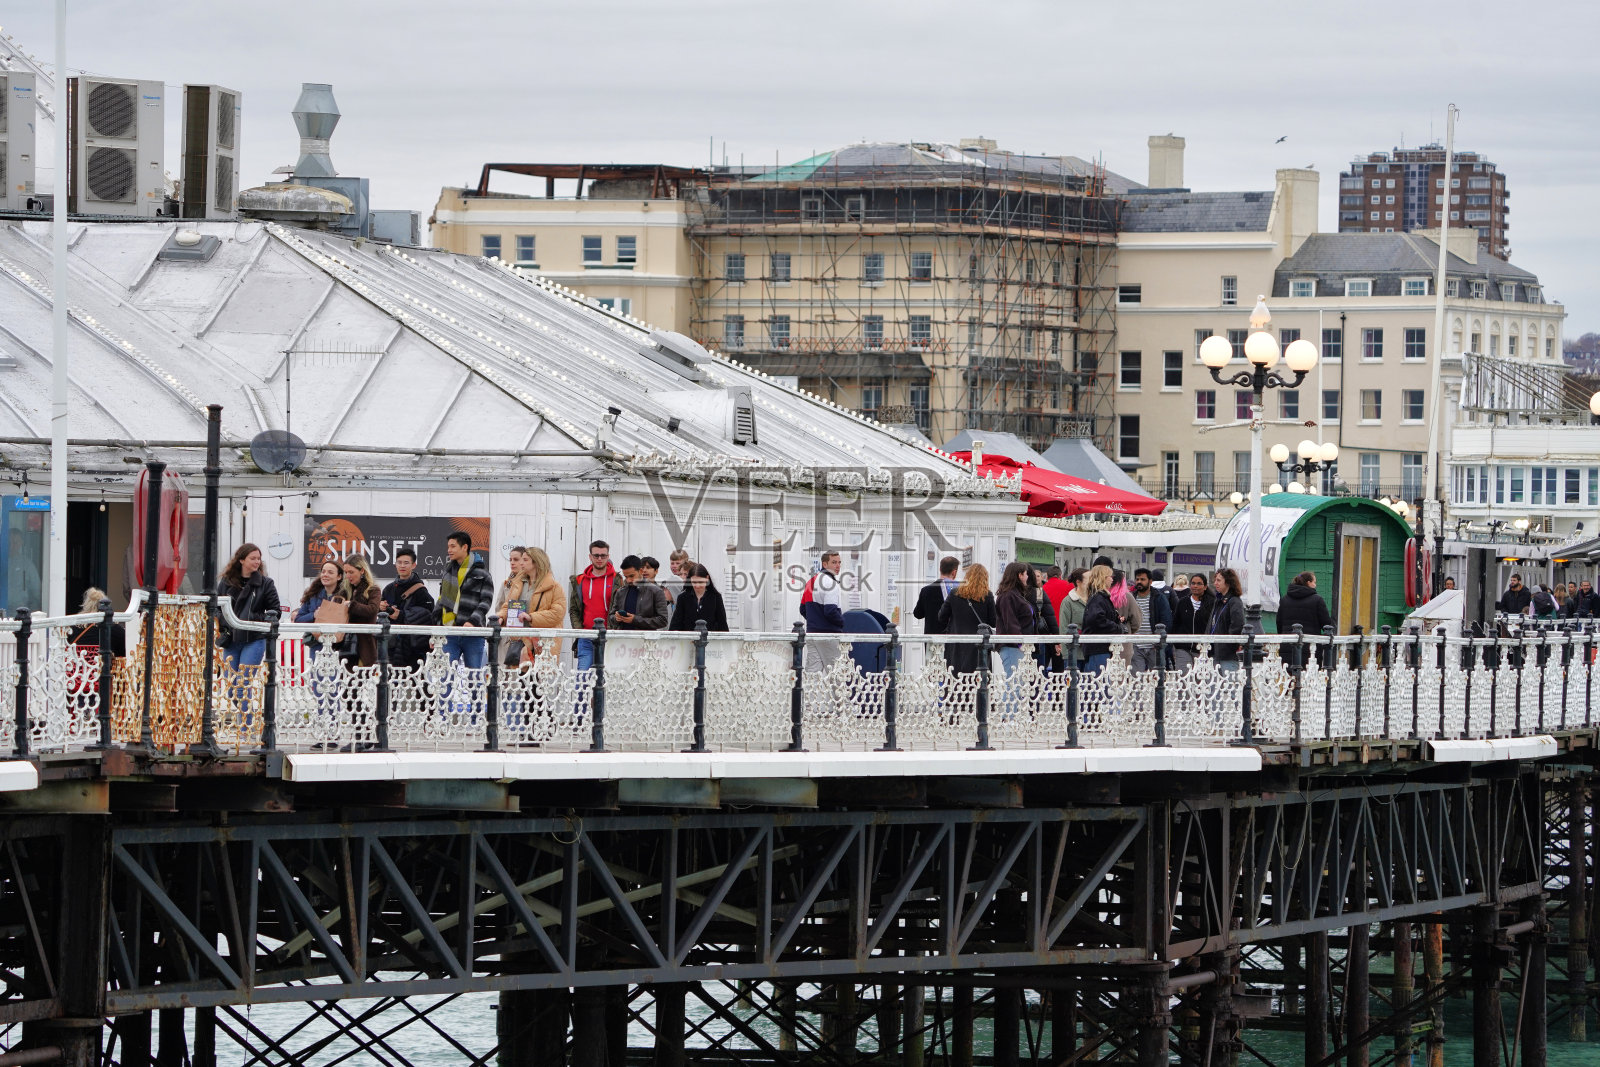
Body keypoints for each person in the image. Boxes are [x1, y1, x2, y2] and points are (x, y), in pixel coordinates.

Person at [433, 530, 494, 670]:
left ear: (464, 547)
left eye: (453, 546)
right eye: (448, 547)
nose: (449, 550)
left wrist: (472, 621)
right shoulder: (448, 572)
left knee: (474, 677)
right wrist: (436, 627)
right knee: (445, 677)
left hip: (473, 634)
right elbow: (441, 600)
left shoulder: (482, 573)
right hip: (449, 633)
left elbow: (486, 601)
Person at [216, 543, 281, 673]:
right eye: (253, 558)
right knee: (230, 684)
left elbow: (275, 612)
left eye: (259, 558)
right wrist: (227, 621)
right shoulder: (226, 582)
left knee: (242, 684)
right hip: (231, 638)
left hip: (254, 638)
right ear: (241, 560)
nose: (257, 561)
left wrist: (250, 618)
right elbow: (216, 608)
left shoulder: (266, 583)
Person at [380, 548, 436, 669]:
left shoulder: (421, 590)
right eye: (399, 562)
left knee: (416, 683)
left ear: (413, 565)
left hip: (414, 646)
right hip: (392, 644)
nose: (402, 566)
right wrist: (382, 608)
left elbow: (428, 615)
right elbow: (381, 616)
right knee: (392, 682)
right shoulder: (388, 589)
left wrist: (401, 615)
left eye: (406, 563)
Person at [937, 563, 995, 675]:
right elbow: (993, 621)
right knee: (979, 681)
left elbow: (941, 617)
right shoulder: (987, 595)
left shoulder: (955, 593)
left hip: (956, 644)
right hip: (979, 646)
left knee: (956, 680)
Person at [569, 540, 617, 672]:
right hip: (586, 637)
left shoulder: (617, 580)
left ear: (608, 556)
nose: (600, 559)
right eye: (596, 555)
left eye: (603, 555)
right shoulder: (580, 580)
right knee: (582, 679)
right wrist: (579, 630)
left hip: (610, 637)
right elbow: (573, 609)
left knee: (607, 679)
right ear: (590, 556)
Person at [511, 548, 567, 661]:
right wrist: (501, 616)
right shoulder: (518, 583)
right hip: (519, 640)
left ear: (536, 562)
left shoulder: (554, 587)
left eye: (525, 560)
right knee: (517, 676)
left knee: (537, 677)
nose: (521, 563)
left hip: (542, 644)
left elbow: (557, 613)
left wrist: (531, 617)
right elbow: (508, 605)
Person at [800, 551, 846, 671]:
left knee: (813, 675)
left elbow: (802, 609)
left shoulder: (810, 582)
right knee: (836, 673)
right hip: (829, 635)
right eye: (834, 562)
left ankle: (806, 691)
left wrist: (815, 621)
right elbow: (830, 611)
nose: (838, 566)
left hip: (812, 634)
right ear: (824, 564)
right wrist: (843, 623)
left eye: (839, 562)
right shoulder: (831, 583)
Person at [1276, 571, 1334, 666]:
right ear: (1308, 583)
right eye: (1314, 582)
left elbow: (1279, 623)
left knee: (1289, 677)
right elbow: (1327, 624)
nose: (1315, 585)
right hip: (1311, 648)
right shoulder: (1317, 600)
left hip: (1288, 646)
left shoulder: (1284, 599)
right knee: (1309, 678)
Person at [337, 555, 382, 667]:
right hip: (346, 643)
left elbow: (372, 610)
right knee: (347, 680)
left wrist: (352, 605)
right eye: (346, 572)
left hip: (365, 643)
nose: (348, 576)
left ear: (362, 570)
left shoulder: (373, 589)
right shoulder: (344, 590)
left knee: (364, 679)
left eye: (351, 572)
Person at [993, 562, 1036, 677]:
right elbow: (1010, 622)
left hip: (1016, 645)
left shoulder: (1014, 594)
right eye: (1026, 574)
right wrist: (1020, 644)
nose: (1027, 577)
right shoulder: (1008, 596)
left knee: (1017, 683)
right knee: (1014, 683)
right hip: (1012, 646)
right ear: (1019, 575)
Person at [1078, 565, 1123, 673]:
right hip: (1098, 648)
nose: (1112, 579)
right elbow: (1097, 619)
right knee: (1099, 683)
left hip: (1099, 647)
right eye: (1110, 576)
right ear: (1103, 578)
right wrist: (1117, 628)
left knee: (1100, 683)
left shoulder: (1098, 597)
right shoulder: (1098, 598)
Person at [295, 560, 343, 660]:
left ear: (339, 577)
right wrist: (314, 615)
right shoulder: (313, 595)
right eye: (323, 571)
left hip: (339, 646)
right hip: (317, 645)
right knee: (317, 675)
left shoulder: (345, 595)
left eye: (330, 572)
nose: (325, 575)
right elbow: (298, 619)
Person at [495, 547, 534, 667]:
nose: (512, 562)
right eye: (510, 559)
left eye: (516, 559)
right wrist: (501, 618)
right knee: (502, 669)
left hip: (526, 633)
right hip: (507, 633)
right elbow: (499, 607)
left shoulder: (532, 583)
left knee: (520, 672)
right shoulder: (506, 583)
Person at [609, 554, 670, 631]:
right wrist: (616, 618)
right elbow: (611, 617)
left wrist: (635, 620)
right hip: (623, 640)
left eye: (631, 576)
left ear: (640, 571)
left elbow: (663, 620)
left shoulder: (656, 591)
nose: (628, 580)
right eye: (626, 577)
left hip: (644, 641)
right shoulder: (621, 592)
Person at [1130, 568, 1173, 672]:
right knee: (1136, 678)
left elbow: (1166, 620)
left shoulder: (1159, 598)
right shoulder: (1132, 597)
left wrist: (1160, 641)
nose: (1139, 582)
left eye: (1142, 579)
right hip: (1136, 645)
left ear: (1150, 581)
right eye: (1137, 579)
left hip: (1154, 645)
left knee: (1156, 678)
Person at [1172, 573, 1214, 671]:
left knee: (1200, 680)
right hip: (1183, 647)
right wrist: (1177, 643)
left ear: (1205, 587)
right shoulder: (1182, 602)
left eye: (1199, 584)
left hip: (1202, 649)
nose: (1195, 586)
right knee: (1184, 677)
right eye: (1193, 583)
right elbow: (1176, 623)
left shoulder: (1212, 604)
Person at [670, 564, 730, 632]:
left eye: (700, 582)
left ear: (707, 578)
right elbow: (675, 625)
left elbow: (722, 624)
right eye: (694, 582)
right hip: (687, 641)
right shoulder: (682, 598)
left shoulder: (716, 597)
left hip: (711, 641)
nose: (697, 586)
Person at [1207, 569, 1246, 670]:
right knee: (1213, 684)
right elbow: (1212, 623)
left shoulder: (1235, 601)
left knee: (1229, 684)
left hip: (1227, 654)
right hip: (1214, 652)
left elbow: (1237, 625)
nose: (1215, 583)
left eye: (1219, 580)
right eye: (1215, 580)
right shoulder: (1218, 600)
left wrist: (1228, 645)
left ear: (1228, 582)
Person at [69, 587, 126, 657]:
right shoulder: (114, 629)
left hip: (77, 667)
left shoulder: (73, 627)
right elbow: (124, 652)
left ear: (86, 605)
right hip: (102, 666)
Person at [913, 556, 961, 635]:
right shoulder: (959, 591)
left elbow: (918, 614)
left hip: (932, 638)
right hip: (952, 637)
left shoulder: (926, 590)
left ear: (940, 569)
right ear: (954, 572)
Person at [1108, 570, 1142, 663]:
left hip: (1104, 641)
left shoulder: (1103, 596)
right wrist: (1129, 629)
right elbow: (1136, 620)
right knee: (1122, 673)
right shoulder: (1127, 596)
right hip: (1124, 640)